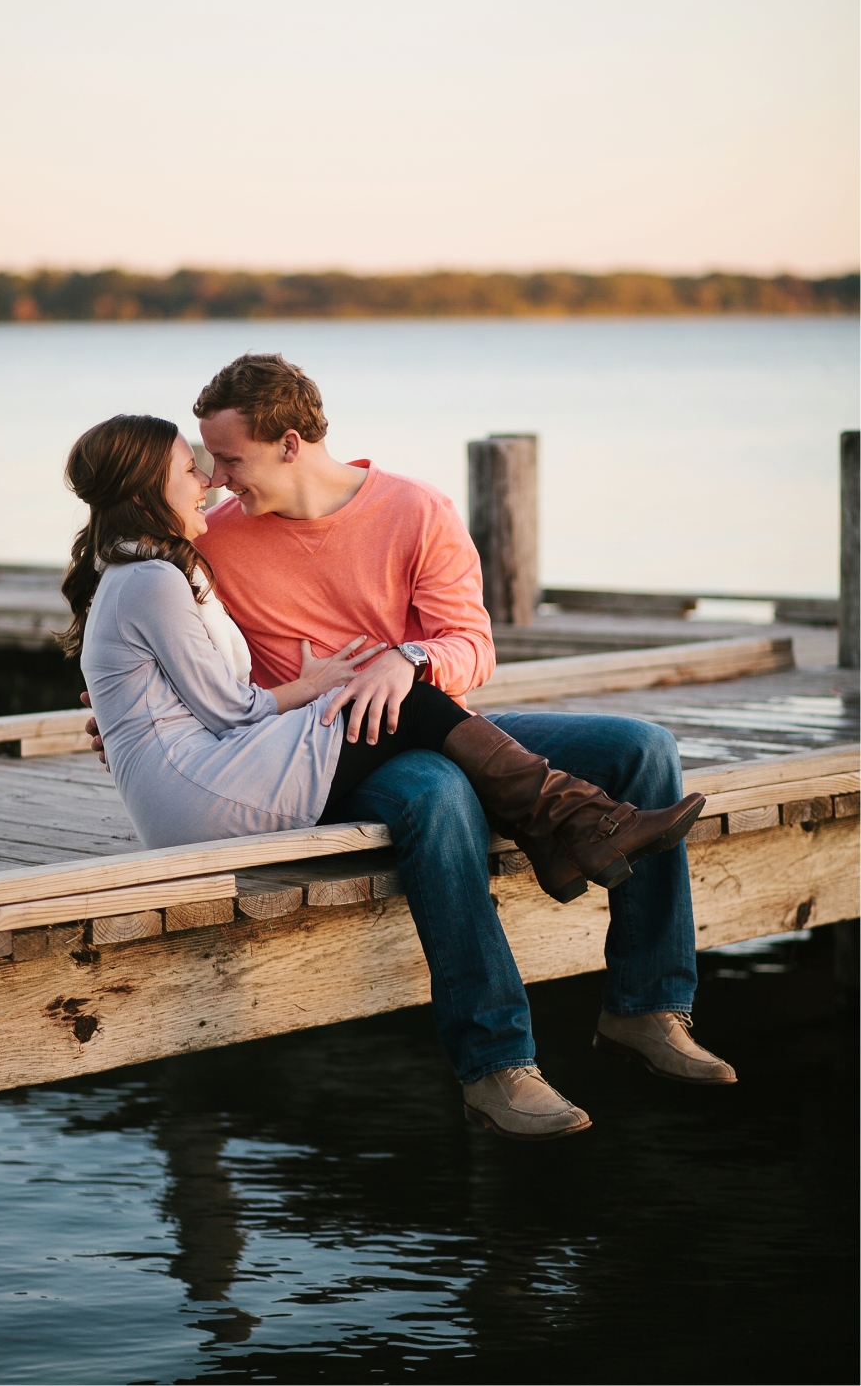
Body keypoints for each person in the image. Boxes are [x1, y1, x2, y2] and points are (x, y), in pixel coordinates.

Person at [80, 355, 738, 1138]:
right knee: (436, 792)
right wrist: (117, 717)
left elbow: (473, 645)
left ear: (290, 443)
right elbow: (143, 621)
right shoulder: (209, 539)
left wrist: (411, 659)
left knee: (644, 749)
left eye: (230, 459)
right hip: (313, 751)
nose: (217, 480)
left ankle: (647, 1006)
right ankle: (497, 1065)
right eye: (206, 463)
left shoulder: (416, 510)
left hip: (426, 712)